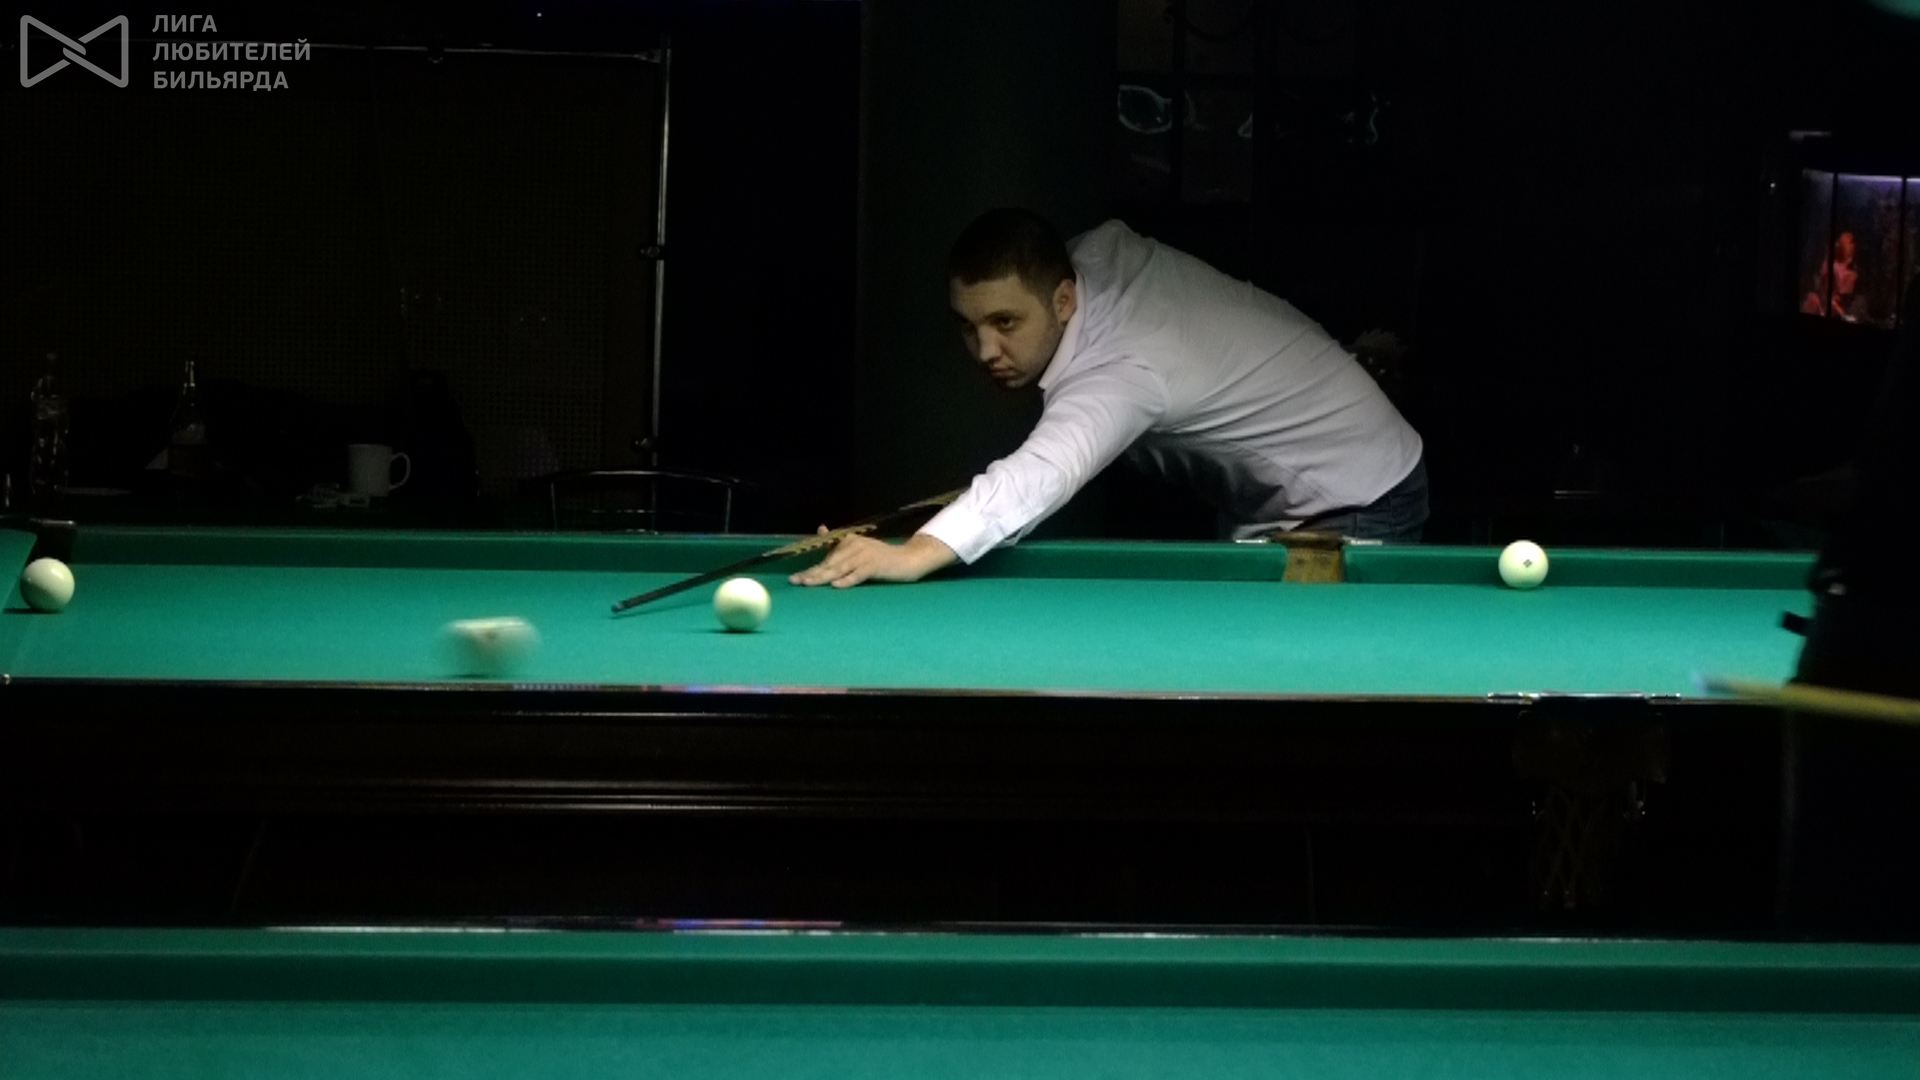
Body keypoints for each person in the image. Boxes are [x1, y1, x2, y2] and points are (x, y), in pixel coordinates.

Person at [792, 208, 1427, 589]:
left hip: (1357, 495)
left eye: (1006, 323)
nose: (985, 350)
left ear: (1064, 300)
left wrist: (912, 555)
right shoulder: (1092, 257)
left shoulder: (1123, 369)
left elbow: (1041, 472)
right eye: (968, 325)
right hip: (1284, 486)